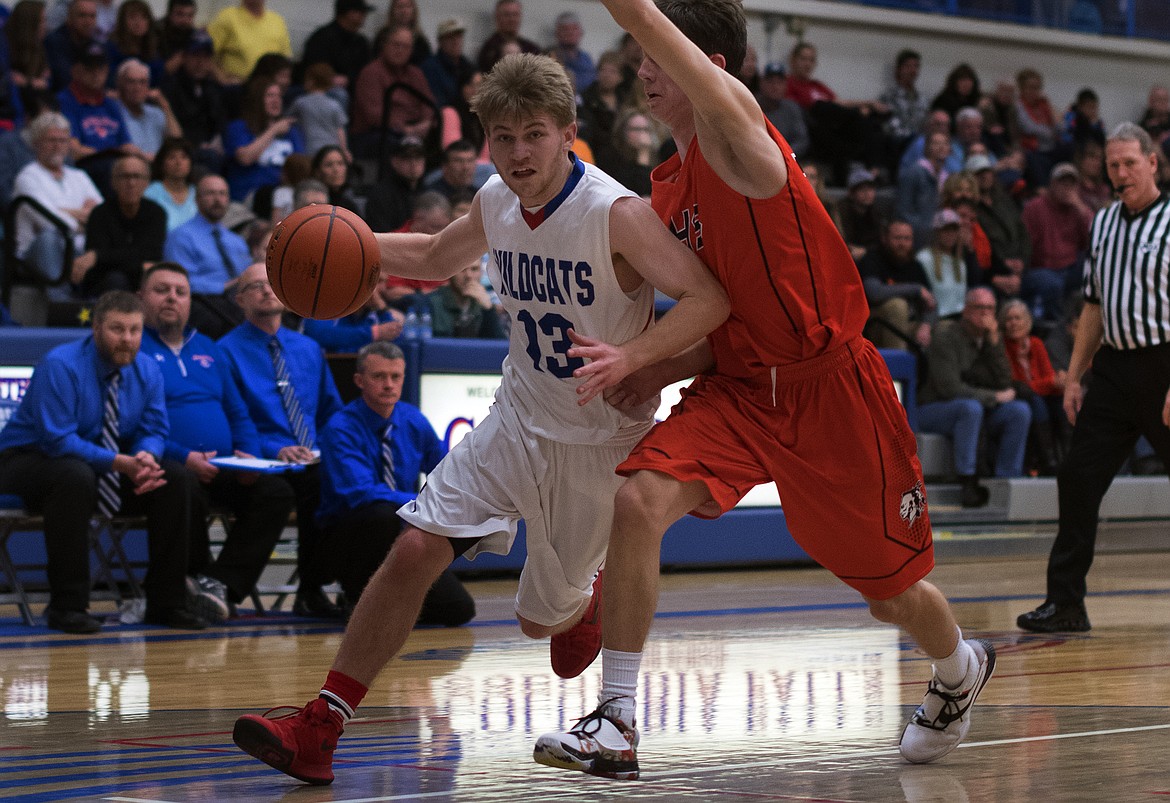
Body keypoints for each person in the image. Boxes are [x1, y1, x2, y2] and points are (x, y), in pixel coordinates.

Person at [231, 52, 729, 785]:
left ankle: (583, 600)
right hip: (518, 415)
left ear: (568, 133)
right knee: (413, 548)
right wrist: (338, 242)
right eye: (503, 136)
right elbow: (435, 254)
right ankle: (321, 724)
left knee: (539, 622)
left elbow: (709, 300)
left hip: (597, 438)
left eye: (534, 134)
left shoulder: (616, 213)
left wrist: (636, 360)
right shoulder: (497, 200)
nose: (519, 153)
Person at [534, 0, 995, 781]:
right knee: (639, 499)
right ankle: (615, 719)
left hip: (833, 393)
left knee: (891, 595)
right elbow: (728, 320)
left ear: (708, 70)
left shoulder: (742, 139)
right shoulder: (670, 189)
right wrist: (653, 366)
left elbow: (655, 33)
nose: (644, 67)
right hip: (743, 389)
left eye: (658, 56)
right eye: (639, 56)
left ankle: (958, 668)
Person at [1017, 123, 1170, 633]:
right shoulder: (1102, 223)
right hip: (1114, 369)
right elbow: (1094, 305)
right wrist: (1076, 376)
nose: (1121, 173)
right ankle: (1065, 604)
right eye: (1112, 166)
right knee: (1078, 477)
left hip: (1165, 365)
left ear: (1153, 162)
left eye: (1130, 163)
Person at [0, 290, 208, 633]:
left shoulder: (147, 370)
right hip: (26, 460)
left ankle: (167, 603)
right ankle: (67, 607)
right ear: (95, 328)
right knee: (72, 475)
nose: (127, 339)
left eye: (135, 330)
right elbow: (57, 440)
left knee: (175, 478)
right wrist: (119, 463)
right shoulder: (61, 365)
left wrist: (146, 457)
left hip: (101, 463)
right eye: (117, 329)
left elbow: (154, 427)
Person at [138, 262, 296, 623]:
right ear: (142, 298)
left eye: (181, 292)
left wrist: (250, 459)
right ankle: (187, 586)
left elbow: (238, 412)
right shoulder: (137, 348)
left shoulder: (210, 348)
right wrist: (184, 455)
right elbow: (137, 425)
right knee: (182, 481)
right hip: (173, 465)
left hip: (226, 465)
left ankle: (219, 585)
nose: (172, 299)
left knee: (275, 492)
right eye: (162, 290)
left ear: (191, 301)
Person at [219, 261, 345, 619]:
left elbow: (330, 411)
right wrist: (275, 449)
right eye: (254, 286)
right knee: (286, 493)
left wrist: (323, 448)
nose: (265, 290)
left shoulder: (307, 348)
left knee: (333, 482)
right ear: (240, 300)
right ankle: (225, 590)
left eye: (271, 283)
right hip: (260, 460)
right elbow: (231, 419)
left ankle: (314, 589)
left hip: (310, 458)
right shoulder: (225, 351)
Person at [317, 340, 474, 619]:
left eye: (395, 377)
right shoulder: (340, 427)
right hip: (347, 537)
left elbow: (444, 471)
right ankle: (358, 597)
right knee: (380, 514)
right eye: (379, 377)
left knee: (459, 610)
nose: (388, 385)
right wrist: (417, 504)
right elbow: (360, 494)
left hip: (402, 532)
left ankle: (395, 604)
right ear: (359, 380)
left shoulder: (413, 420)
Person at [918, 286, 1032, 504]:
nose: (985, 313)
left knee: (1019, 411)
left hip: (973, 410)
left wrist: (995, 343)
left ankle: (1005, 479)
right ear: (966, 310)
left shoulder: (991, 338)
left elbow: (1003, 381)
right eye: (979, 307)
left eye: (990, 308)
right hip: (934, 408)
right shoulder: (945, 335)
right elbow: (948, 388)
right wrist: (994, 398)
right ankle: (968, 481)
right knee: (970, 408)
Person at [12, 111, 103, 300]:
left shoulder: (79, 176)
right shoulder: (27, 177)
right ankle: (60, 302)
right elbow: (50, 223)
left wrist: (63, 211)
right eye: (50, 140)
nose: (57, 146)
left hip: (79, 249)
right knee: (49, 237)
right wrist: (83, 215)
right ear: (36, 143)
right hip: (35, 253)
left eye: (63, 140)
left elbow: (103, 216)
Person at [163, 173, 250, 338]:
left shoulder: (237, 241)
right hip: (207, 302)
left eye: (222, 193)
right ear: (196, 199)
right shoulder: (181, 236)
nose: (217, 199)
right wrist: (223, 286)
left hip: (240, 300)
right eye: (210, 193)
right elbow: (181, 283)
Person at [75, 153, 167, 295]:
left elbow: (152, 254)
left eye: (137, 176)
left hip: (140, 282)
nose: (131, 183)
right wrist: (135, 261)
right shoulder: (99, 214)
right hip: (105, 285)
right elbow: (98, 267)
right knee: (116, 278)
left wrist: (99, 256)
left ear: (147, 182)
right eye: (125, 176)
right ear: (113, 182)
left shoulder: (156, 213)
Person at [1020, 161, 1092, 322]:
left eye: (1070, 185)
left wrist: (1081, 208)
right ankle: (1057, 323)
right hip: (1041, 268)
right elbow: (1024, 244)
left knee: (1100, 262)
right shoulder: (1035, 207)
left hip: (1070, 267)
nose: (1067, 189)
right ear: (1052, 184)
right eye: (1062, 184)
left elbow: (1095, 239)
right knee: (1050, 282)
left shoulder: (1077, 208)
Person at [351, 23, 436, 160]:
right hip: (377, 133)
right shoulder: (371, 72)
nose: (400, 50)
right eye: (396, 45)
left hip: (414, 129)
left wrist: (426, 122)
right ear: (384, 45)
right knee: (392, 142)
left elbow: (429, 103)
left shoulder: (415, 73)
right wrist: (405, 130)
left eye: (406, 46)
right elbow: (375, 115)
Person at [1000, 298, 1062, 475]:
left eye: (1017, 318)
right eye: (1009, 319)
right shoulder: (1003, 346)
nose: (1013, 323)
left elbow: (1049, 377)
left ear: (1027, 322)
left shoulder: (1036, 343)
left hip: (1039, 395)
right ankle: (1048, 460)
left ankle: (1063, 459)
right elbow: (1018, 385)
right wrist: (1050, 383)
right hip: (1016, 396)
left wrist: (1058, 383)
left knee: (1062, 403)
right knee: (1035, 402)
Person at [858, 218, 935, 351]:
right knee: (897, 306)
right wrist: (916, 289)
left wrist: (926, 325)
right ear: (885, 238)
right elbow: (874, 293)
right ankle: (897, 368)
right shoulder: (873, 259)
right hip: (874, 325)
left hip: (908, 324)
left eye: (907, 238)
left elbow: (931, 302)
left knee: (944, 330)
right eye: (897, 238)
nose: (902, 243)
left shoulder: (915, 266)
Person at [223, 78, 304, 202]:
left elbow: (300, 166)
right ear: (257, 100)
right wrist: (273, 130)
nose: (276, 100)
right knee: (282, 195)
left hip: (284, 194)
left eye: (279, 96)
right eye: (270, 95)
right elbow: (245, 158)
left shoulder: (290, 131)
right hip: (249, 195)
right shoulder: (239, 127)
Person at [297, 0, 373, 97]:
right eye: (360, 12)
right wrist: (329, 79)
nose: (364, 16)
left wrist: (349, 79)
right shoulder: (322, 37)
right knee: (339, 94)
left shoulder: (361, 42)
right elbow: (314, 68)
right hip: (323, 88)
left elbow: (365, 70)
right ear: (348, 13)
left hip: (353, 87)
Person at [206, 0, 291, 84]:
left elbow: (285, 60)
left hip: (268, 90)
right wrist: (223, 80)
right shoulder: (228, 17)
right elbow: (206, 55)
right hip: (237, 88)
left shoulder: (277, 21)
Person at [113, 58, 183, 160]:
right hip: (132, 167)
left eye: (142, 82)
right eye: (131, 82)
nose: (137, 88)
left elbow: (177, 142)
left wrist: (165, 107)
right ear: (120, 85)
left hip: (158, 170)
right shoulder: (113, 111)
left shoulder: (156, 112)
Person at [428, 256, 506, 339]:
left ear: (481, 272)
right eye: (462, 269)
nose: (468, 275)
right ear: (450, 273)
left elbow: (498, 346)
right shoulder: (433, 302)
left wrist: (488, 310)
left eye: (474, 269)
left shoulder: (484, 304)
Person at [289, 63, 349, 162]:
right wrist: (344, 151)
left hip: (308, 151)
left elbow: (288, 120)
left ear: (310, 81)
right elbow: (340, 130)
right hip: (331, 151)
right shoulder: (335, 105)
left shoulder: (300, 103)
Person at [755, 62, 808, 162]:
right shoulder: (752, 105)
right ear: (761, 83)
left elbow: (802, 141)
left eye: (779, 82)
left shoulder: (792, 108)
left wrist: (784, 156)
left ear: (785, 85)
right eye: (770, 82)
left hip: (788, 162)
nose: (775, 86)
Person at [144, 136, 199, 232]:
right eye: (172, 157)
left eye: (184, 157)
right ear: (162, 163)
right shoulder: (149, 194)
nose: (178, 162)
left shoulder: (199, 194)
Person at [476, 0, 541, 74]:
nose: (511, 19)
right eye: (507, 15)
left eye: (515, 14)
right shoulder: (488, 50)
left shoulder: (532, 49)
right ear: (497, 17)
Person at [547, 10, 595, 95]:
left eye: (574, 28)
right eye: (565, 29)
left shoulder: (587, 59)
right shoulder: (549, 57)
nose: (570, 33)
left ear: (581, 32)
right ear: (557, 33)